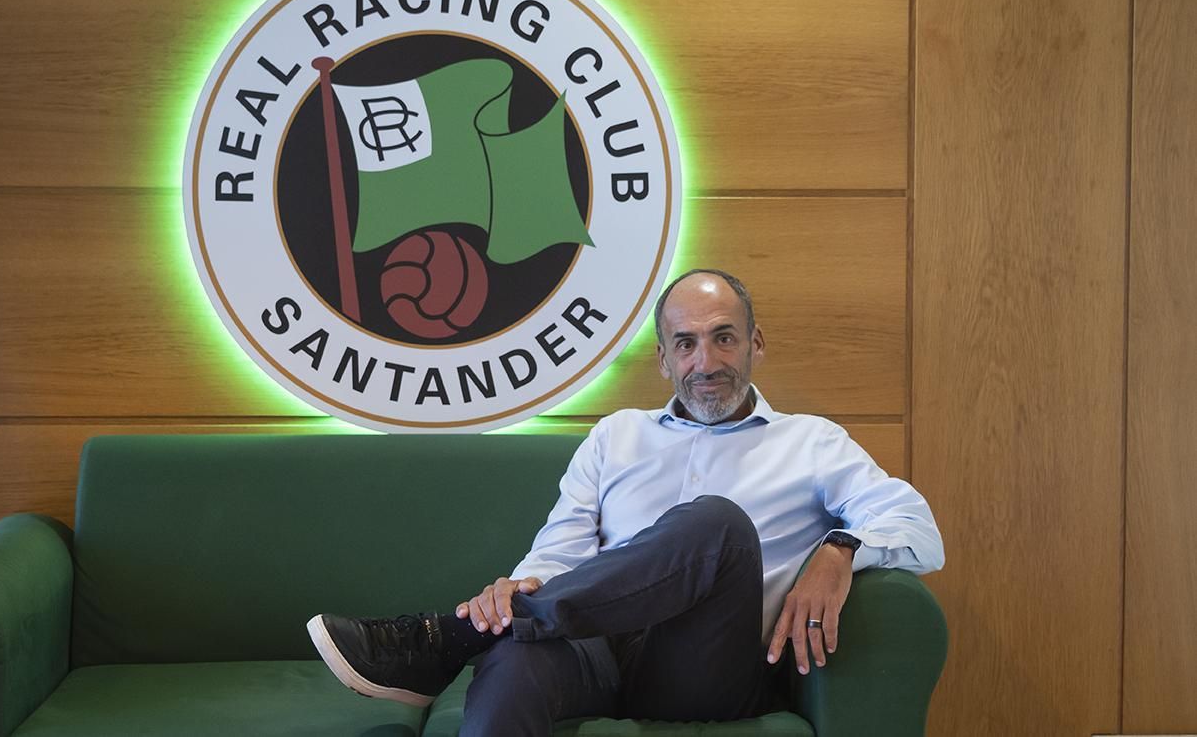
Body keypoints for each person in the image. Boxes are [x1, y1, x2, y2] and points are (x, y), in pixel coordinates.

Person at [307, 268, 944, 733]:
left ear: (756, 344)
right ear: (663, 359)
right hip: (594, 648)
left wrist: (840, 549)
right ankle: (493, 630)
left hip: (705, 667)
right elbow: (561, 551)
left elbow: (917, 527)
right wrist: (519, 589)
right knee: (516, 656)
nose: (706, 362)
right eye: (686, 344)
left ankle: (453, 637)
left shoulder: (811, 442)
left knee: (717, 524)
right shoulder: (616, 435)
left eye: (724, 338)